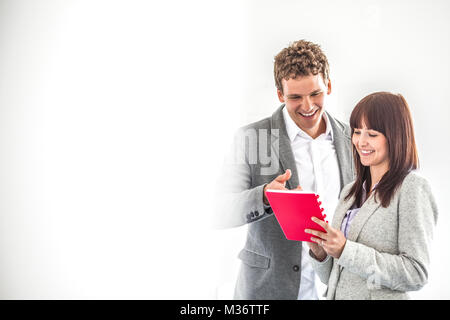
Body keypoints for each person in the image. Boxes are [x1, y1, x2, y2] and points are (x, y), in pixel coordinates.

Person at [215, 40, 354, 299]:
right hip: (267, 290)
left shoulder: (352, 139)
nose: (308, 106)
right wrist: (265, 195)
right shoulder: (252, 138)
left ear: (329, 85)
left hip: (334, 289)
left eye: (315, 94)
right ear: (280, 94)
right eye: (295, 97)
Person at [305, 91, 438, 299]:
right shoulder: (350, 192)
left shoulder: (412, 188)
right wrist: (321, 252)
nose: (361, 142)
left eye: (372, 134)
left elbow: (416, 273)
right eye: (357, 132)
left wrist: (346, 250)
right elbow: (336, 277)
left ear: (395, 137)